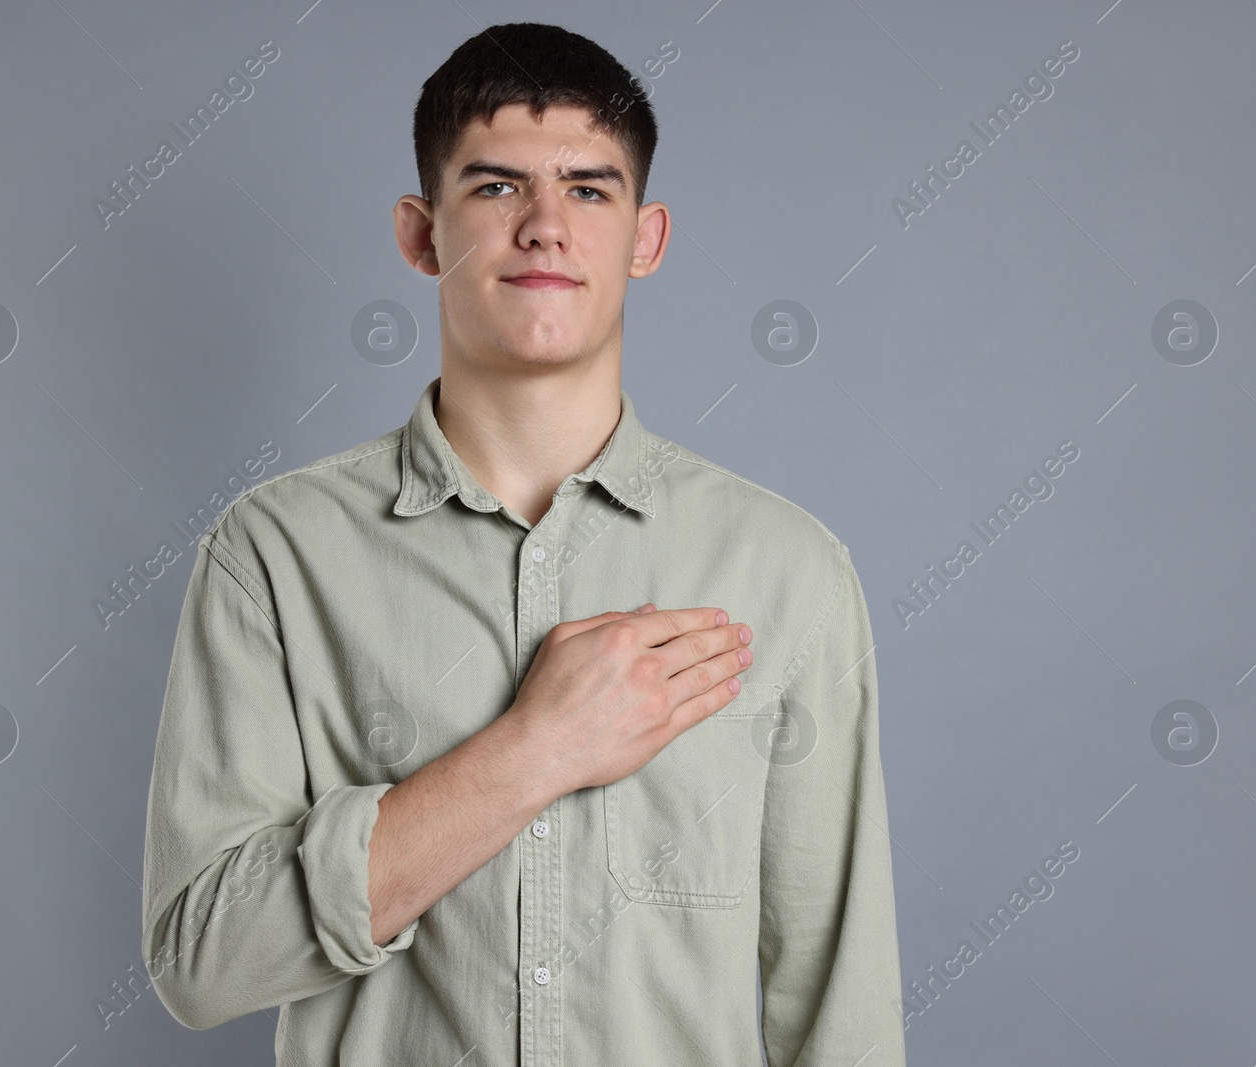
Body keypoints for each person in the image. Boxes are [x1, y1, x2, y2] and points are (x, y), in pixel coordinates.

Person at [141, 21, 905, 1067]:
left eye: (589, 189)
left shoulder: (785, 569)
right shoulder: (275, 553)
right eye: (496, 188)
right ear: (421, 233)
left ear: (646, 236)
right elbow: (202, 960)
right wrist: (533, 749)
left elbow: (838, 1003)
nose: (545, 225)